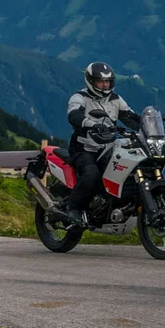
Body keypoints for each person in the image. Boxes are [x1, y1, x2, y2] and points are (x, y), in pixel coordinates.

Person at [60, 62, 139, 228]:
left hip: (108, 150)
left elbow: (130, 117)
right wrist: (90, 123)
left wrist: (149, 126)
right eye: (101, 81)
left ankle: (109, 208)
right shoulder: (79, 98)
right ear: (90, 81)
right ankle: (72, 209)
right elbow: (73, 115)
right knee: (91, 175)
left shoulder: (116, 100)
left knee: (124, 173)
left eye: (108, 81)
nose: (105, 85)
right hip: (83, 149)